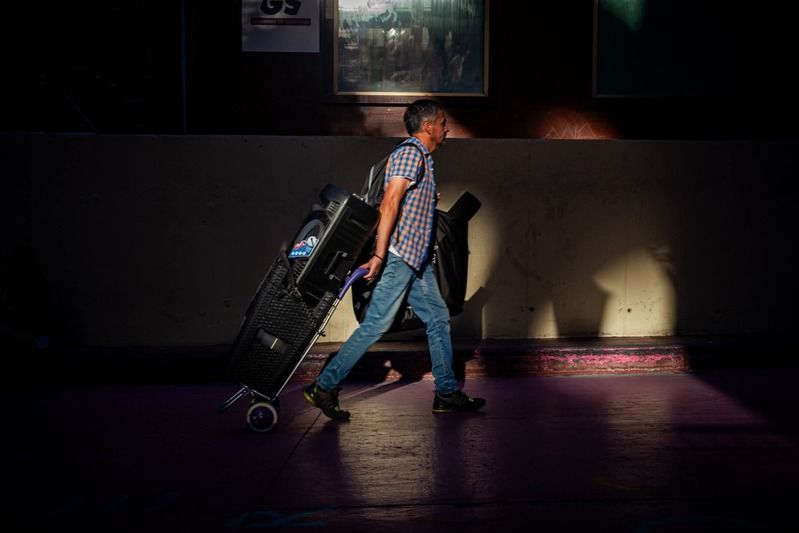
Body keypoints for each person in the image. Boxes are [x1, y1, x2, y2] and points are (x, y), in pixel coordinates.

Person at [304, 99, 486, 420]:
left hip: (417, 262)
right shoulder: (409, 154)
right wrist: (378, 254)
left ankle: (446, 393)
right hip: (401, 257)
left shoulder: (423, 159)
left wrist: (428, 199)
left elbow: (406, 203)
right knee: (377, 324)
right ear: (428, 126)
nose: (447, 129)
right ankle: (324, 386)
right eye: (443, 123)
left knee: (438, 319)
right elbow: (389, 203)